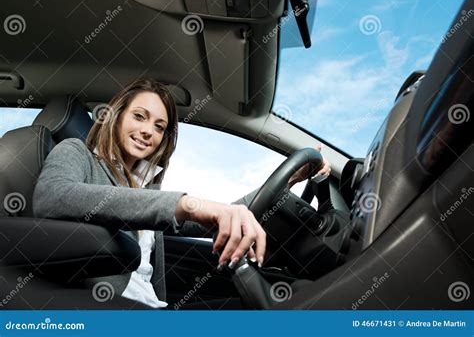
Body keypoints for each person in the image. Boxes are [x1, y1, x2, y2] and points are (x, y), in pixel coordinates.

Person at [33, 78, 331, 309]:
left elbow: (222, 213)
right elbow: (52, 196)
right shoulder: (76, 152)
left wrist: (289, 179)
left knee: (283, 304)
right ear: (116, 116)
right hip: (112, 309)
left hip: (154, 305)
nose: (148, 130)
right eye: (139, 116)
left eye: (159, 126)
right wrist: (185, 204)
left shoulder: (144, 185)